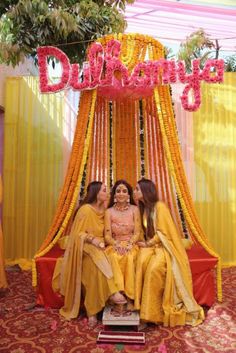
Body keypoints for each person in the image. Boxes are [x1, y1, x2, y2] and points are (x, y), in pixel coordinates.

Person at [52, 181, 125, 326]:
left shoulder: (104, 210)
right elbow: (76, 235)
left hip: (100, 248)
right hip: (83, 248)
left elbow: (107, 232)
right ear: (97, 193)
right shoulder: (85, 210)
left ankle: (94, 309)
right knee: (93, 260)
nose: (107, 193)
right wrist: (92, 240)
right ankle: (110, 294)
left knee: (101, 263)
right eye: (104, 190)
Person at [133, 178, 204, 327]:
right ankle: (139, 309)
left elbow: (163, 233)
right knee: (139, 262)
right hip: (153, 247)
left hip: (166, 247)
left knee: (153, 269)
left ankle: (151, 315)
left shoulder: (160, 207)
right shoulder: (143, 208)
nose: (134, 191)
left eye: (137, 189)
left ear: (146, 191)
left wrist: (148, 243)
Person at [104, 180, 142, 305]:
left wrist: (129, 244)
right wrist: (116, 244)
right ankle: (117, 293)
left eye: (124, 191)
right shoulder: (108, 212)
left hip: (131, 243)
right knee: (113, 256)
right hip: (114, 244)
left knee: (129, 257)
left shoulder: (134, 210)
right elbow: (107, 235)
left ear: (129, 195)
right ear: (114, 195)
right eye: (118, 191)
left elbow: (137, 232)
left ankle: (130, 295)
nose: (121, 193)